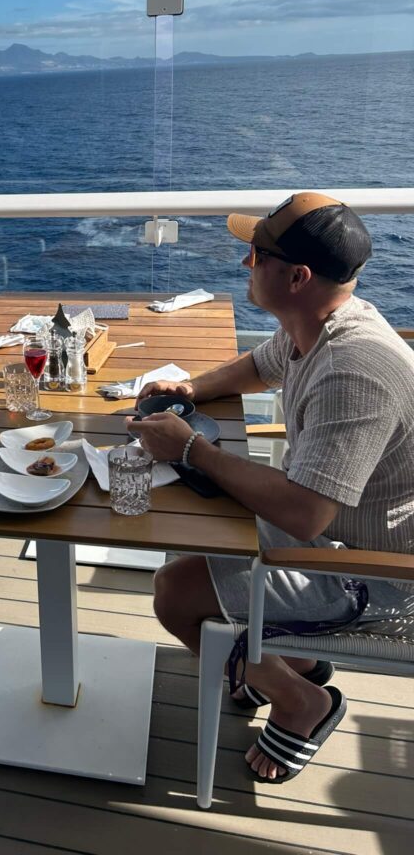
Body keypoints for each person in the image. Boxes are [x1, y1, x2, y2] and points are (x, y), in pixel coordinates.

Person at [130, 192, 414, 783]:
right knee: (189, 525)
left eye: (256, 254)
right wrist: (191, 392)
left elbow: (306, 514)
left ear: (297, 276)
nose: (245, 265)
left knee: (176, 592)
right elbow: (260, 365)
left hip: (381, 575)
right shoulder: (320, 321)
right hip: (338, 530)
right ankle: (295, 664)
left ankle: (301, 701)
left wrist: (191, 449)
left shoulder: (352, 372)